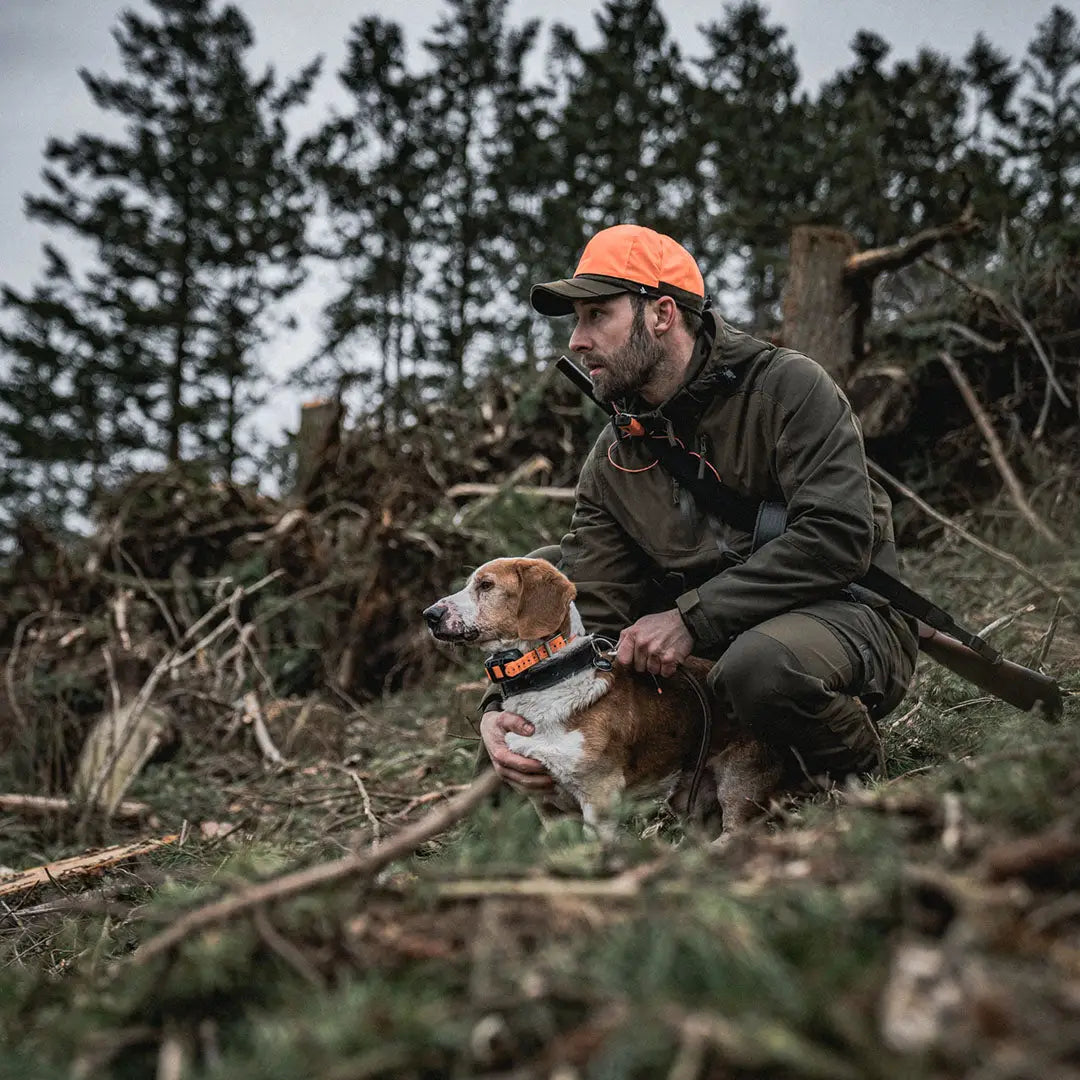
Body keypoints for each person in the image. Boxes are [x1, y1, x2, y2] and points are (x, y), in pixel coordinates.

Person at [480, 223, 919, 799]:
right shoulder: (613, 456)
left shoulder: (790, 389)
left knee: (756, 667)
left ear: (661, 313)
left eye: (596, 317)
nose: (577, 342)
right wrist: (500, 705)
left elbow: (836, 538)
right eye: (575, 322)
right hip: (711, 650)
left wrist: (690, 620)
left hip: (844, 617)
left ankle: (849, 775)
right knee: (543, 573)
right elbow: (591, 601)